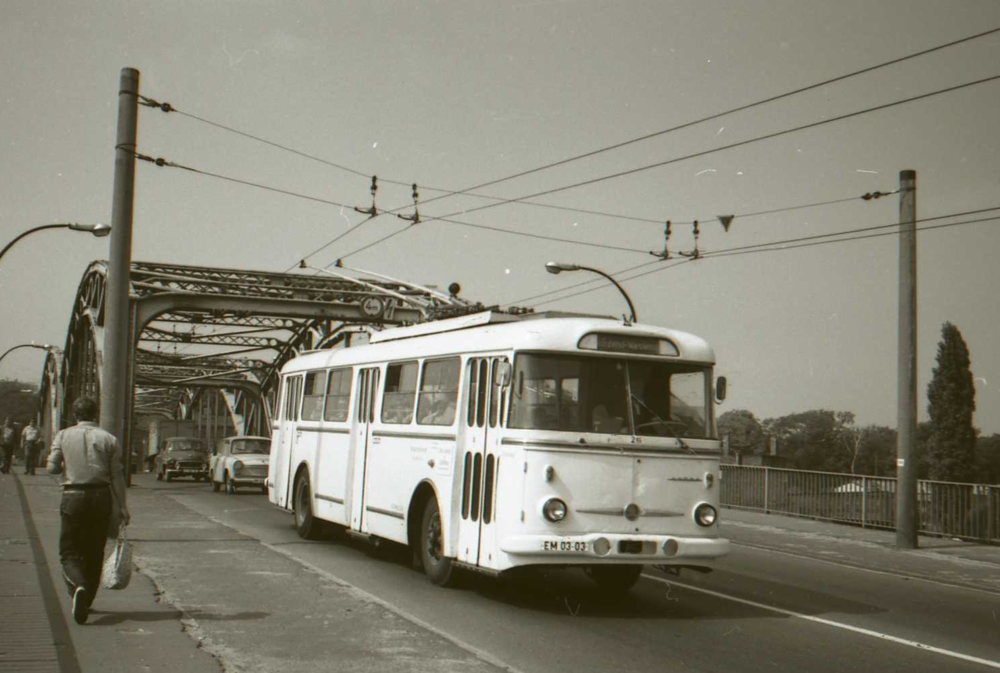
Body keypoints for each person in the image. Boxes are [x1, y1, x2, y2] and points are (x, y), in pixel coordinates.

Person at [46, 396, 130, 625]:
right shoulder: (108, 438)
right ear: (95, 414)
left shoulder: (63, 435)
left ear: (75, 414)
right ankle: (88, 600)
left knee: (69, 550)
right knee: (95, 550)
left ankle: (77, 586)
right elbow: (117, 476)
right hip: (101, 496)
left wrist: (59, 463)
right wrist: (122, 506)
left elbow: (53, 468)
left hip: (73, 495)